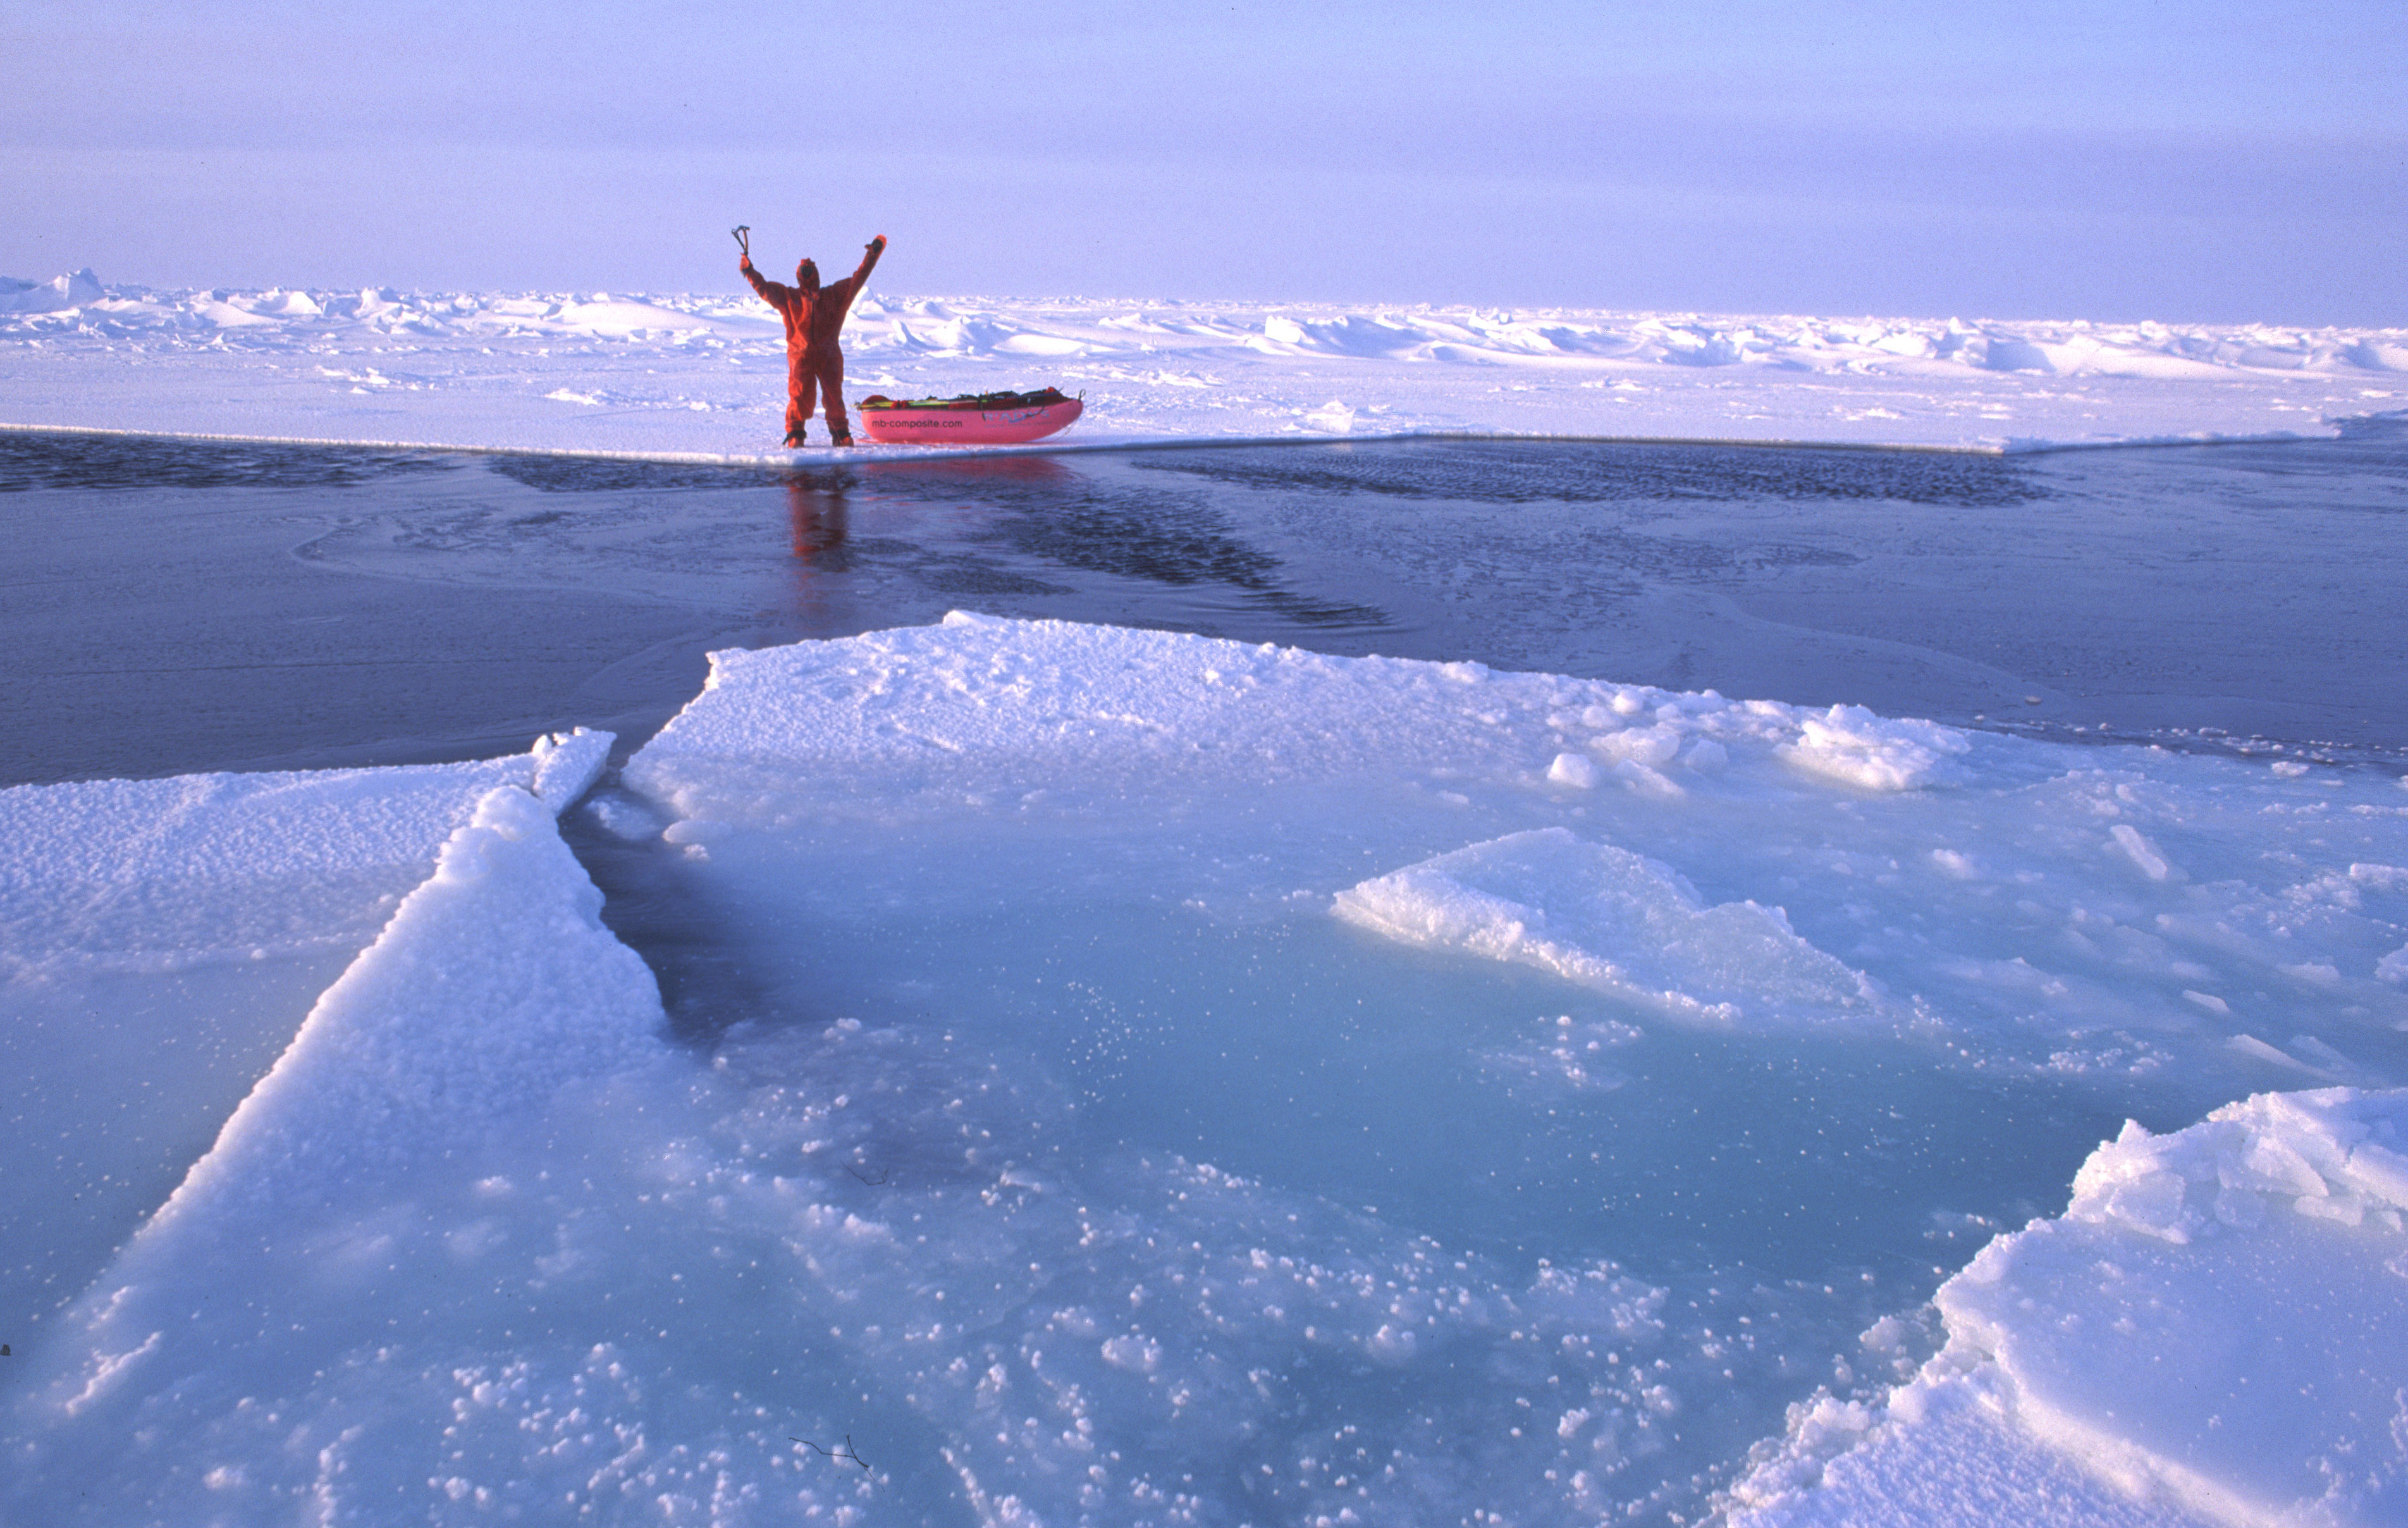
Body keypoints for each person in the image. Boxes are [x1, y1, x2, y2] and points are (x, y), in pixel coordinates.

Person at [736, 227, 886, 447]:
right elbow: (765, 289)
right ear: (799, 275)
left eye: (810, 271)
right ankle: (795, 432)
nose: (807, 275)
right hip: (800, 355)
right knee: (799, 394)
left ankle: (840, 433)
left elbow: (858, 278)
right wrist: (749, 272)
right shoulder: (789, 297)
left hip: (829, 355)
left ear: (816, 274)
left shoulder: (834, 295)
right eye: (803, 271)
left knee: (834, 396)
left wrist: (872, 255)